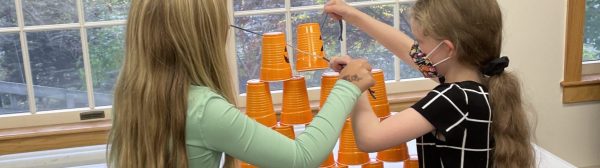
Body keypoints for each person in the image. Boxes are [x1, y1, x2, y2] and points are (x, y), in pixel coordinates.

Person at [107, 0, 375, 167]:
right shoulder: (202, 109)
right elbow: (302, 157)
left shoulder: (130, 95)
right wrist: (348, 85)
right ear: (202, 36)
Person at [325, 0, 534, 167]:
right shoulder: (481, 83)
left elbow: (370, 139)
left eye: (421, 42)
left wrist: (353, 84)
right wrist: (352, 15)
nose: (418, 50)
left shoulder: (452, 98)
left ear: (447, 48)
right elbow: (405, 49)